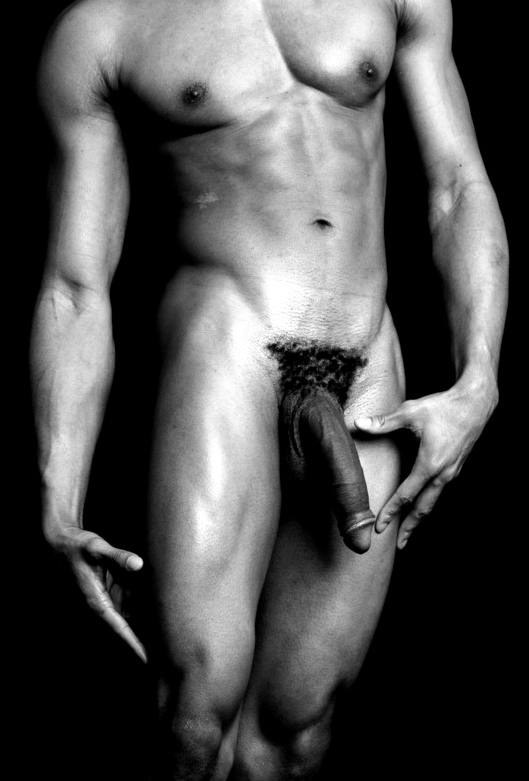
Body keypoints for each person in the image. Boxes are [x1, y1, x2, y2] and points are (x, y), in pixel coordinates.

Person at [30, 0, 508, 778]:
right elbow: (75, 287)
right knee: (194, 713)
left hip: (366, 354)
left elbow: (457, 184)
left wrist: (477, 375)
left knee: (297, 728)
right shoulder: (105, 28)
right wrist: (60, 496)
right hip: (227, 346)